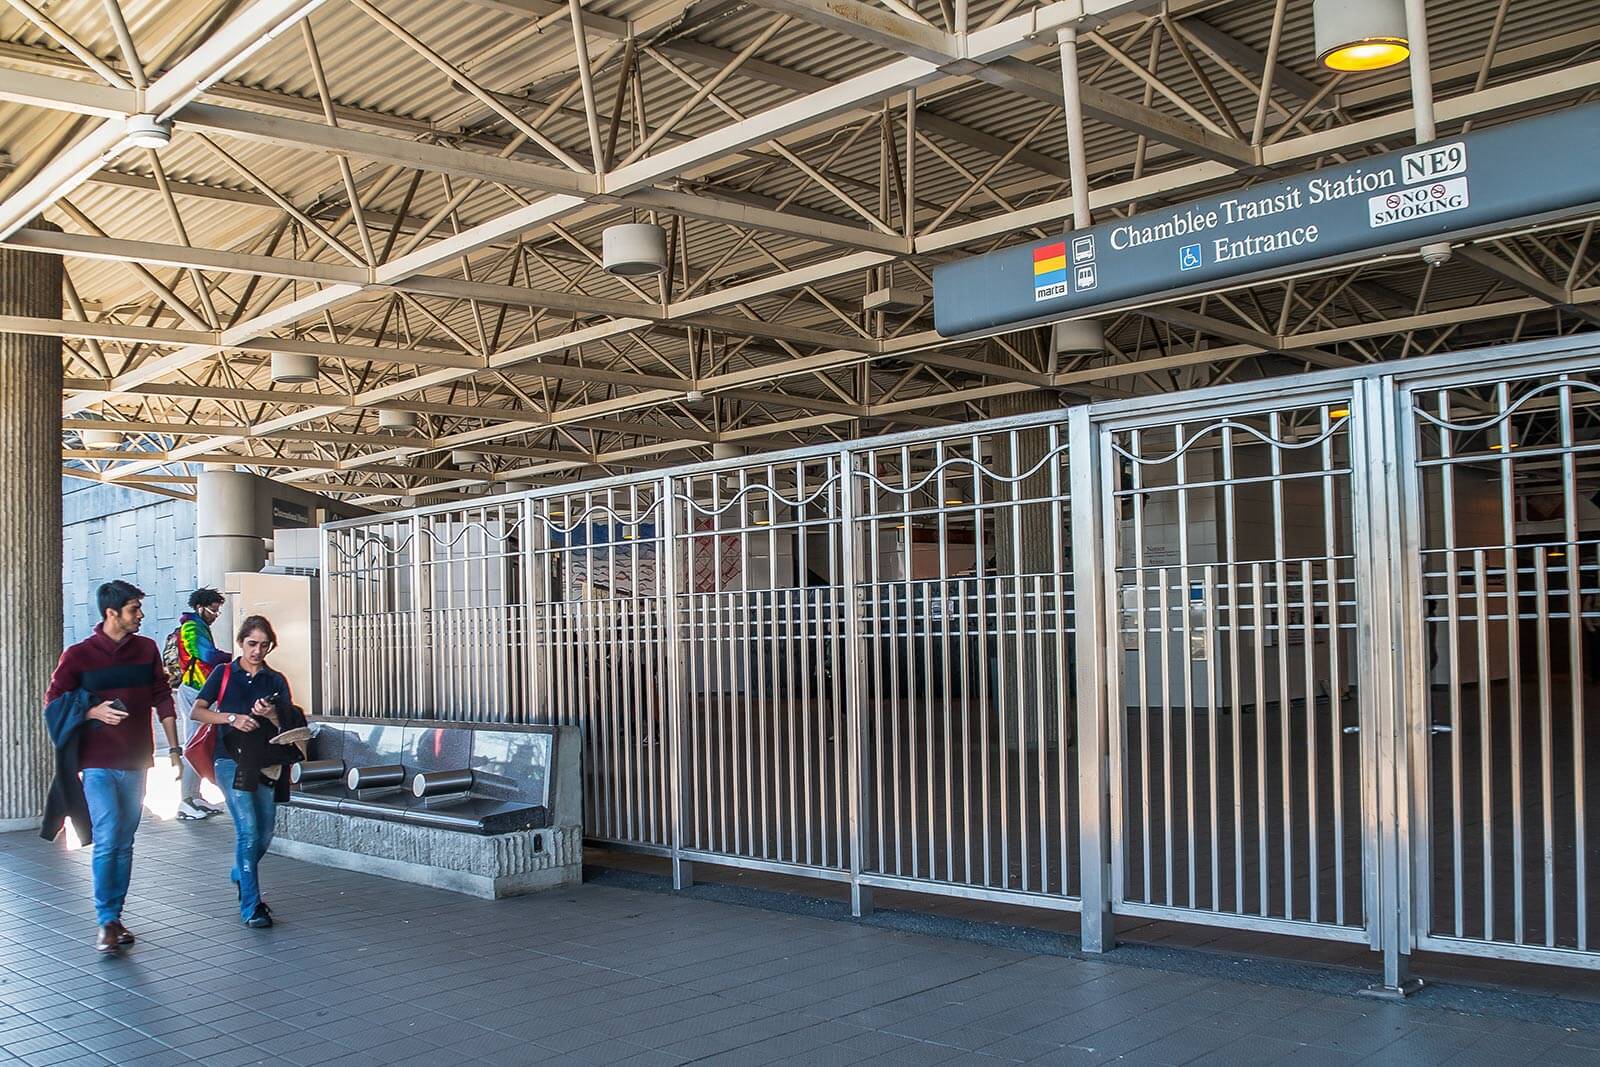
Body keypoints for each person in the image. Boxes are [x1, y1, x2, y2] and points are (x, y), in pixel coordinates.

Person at [43, 580, 180, 953]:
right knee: (107, 837)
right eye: (134, 609)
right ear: (111, 613)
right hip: (97, 763)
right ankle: (105, 921)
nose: (141, 615)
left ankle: (116, 916)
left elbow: (162, 696)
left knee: (124, 840)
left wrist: (174, 748)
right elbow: (53, 703)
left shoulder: (146, 649)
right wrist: (92, 712)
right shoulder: (79, 655)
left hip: (137, 760)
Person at [190, 616, 302, 929]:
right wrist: (232, 718)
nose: (257, 651)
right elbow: (197, 711)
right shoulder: (224, 673)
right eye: (252, 643)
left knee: (265, 833)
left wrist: (273, 714)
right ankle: (251, 907)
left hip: (265, 761)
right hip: (229, 760)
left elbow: (288, 725)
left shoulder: (275, 679)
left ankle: (241, 872)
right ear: (241, 642)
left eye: (264, 645)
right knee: (248, 830)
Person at [164, 588, 231, 820]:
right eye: (213, 610)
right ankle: (186, 800)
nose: (216, 615)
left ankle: (194, 796)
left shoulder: (197, 625)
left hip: (199, 690)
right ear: (200, 607)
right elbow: (207, 655)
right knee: (195, 745)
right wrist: (233, 657)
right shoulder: (192, 627)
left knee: (198, 743)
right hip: (195, 691)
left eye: (218, 611)